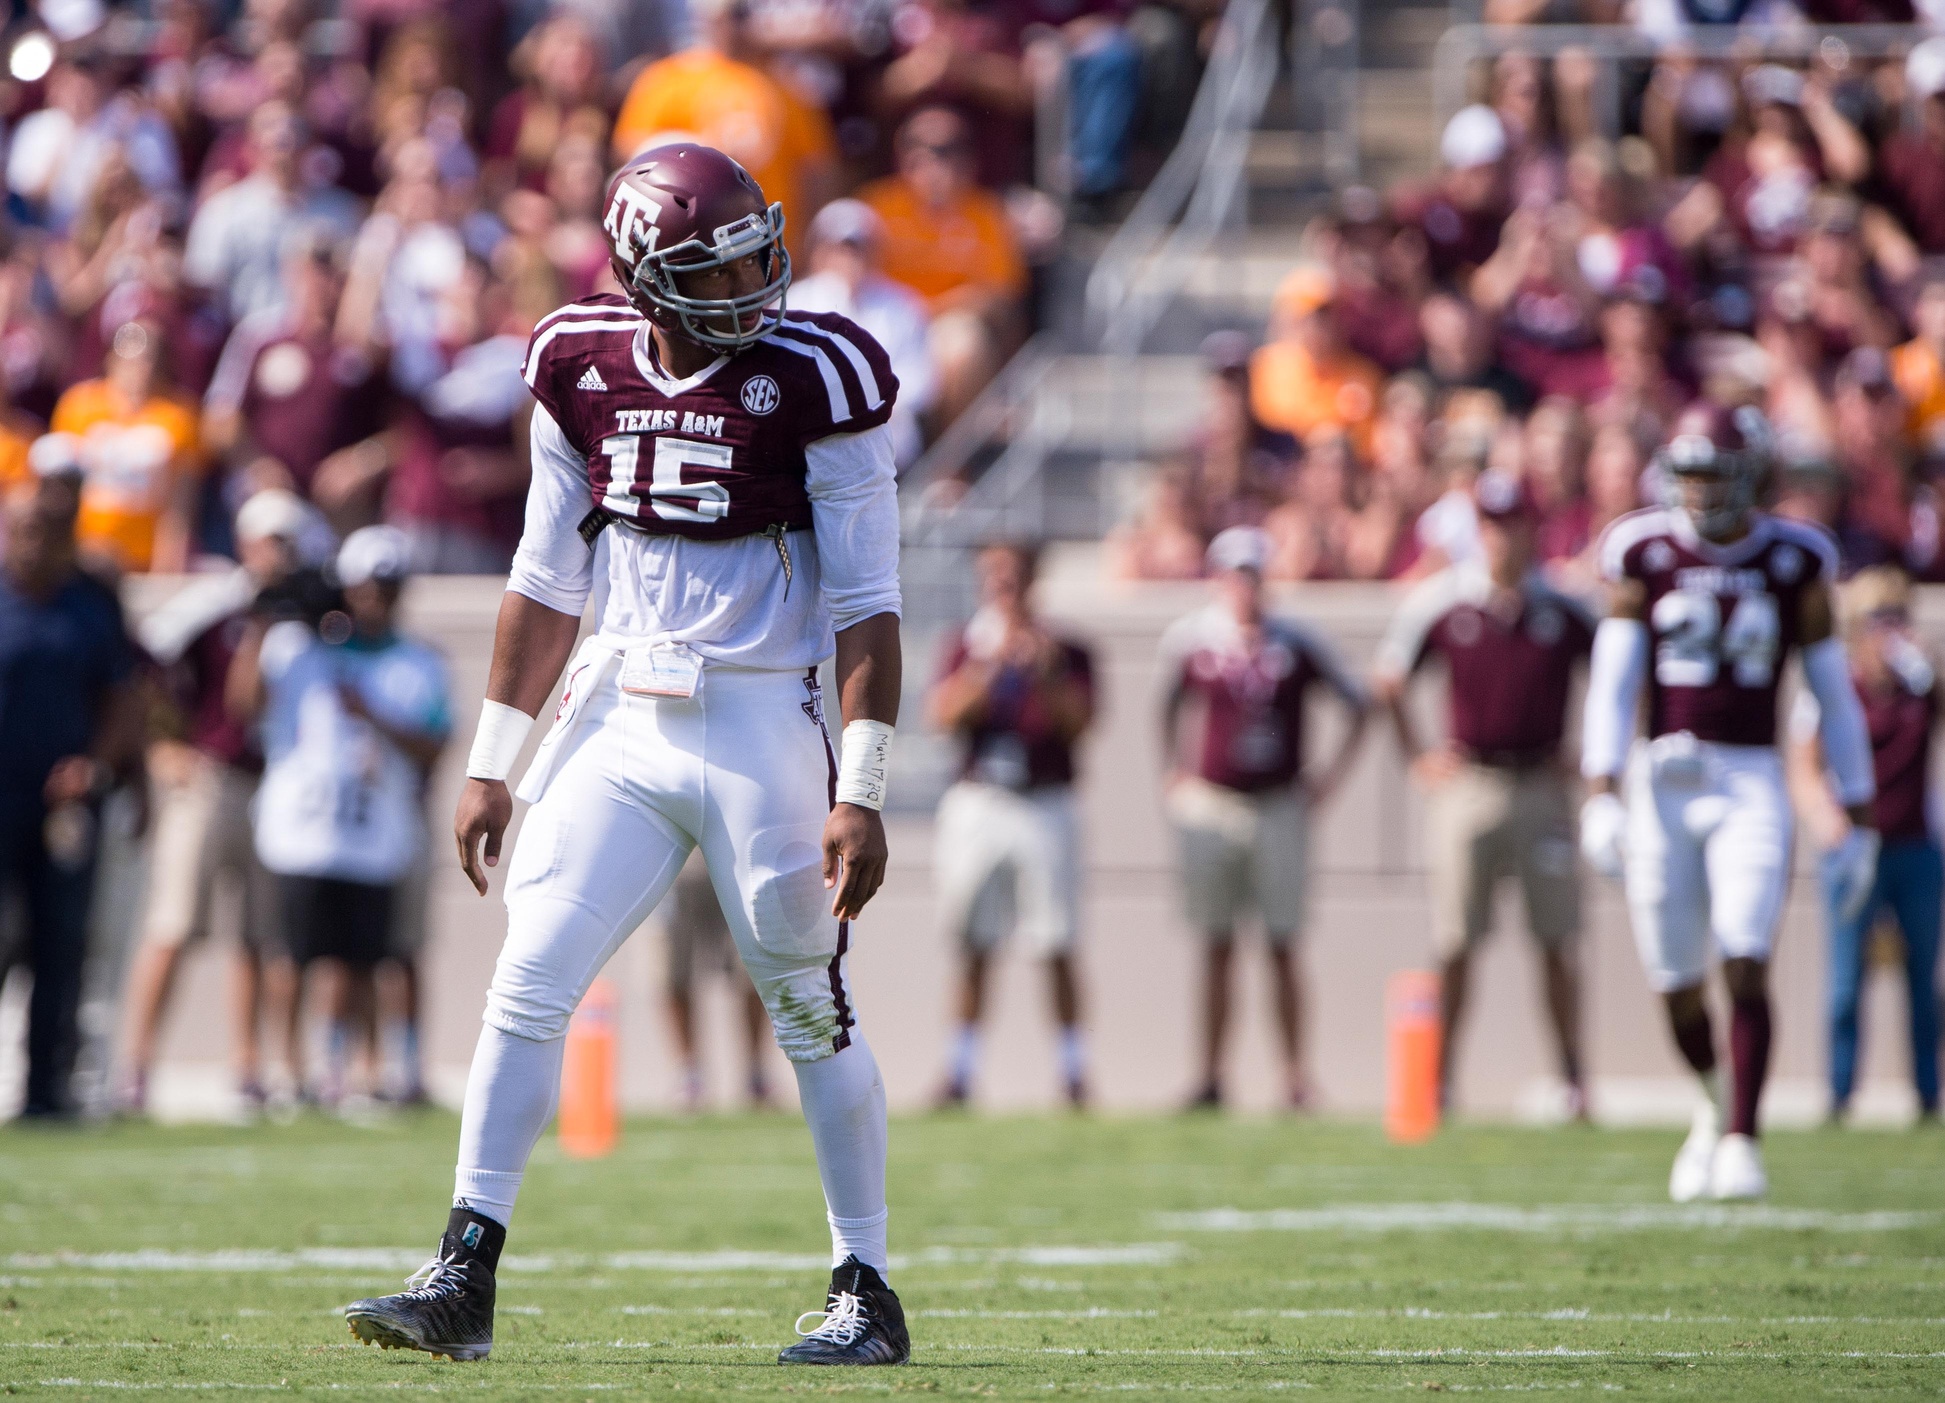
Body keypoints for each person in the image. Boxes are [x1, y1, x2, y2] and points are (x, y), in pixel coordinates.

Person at [342, 144, 909, 1367]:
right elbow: (547, 574)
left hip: (765, 713)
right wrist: (494, 755)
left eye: (762, 247)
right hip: (619, 711)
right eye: (726, 261)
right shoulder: (575, 359)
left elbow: (868, 598)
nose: (760, 278)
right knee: (528, 971)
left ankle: (864, 1283)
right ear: (649, 274)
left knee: (806, 1002)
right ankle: (462, 1270)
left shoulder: (823, 371)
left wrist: (861, 786)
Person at [1578, 402, 1879, 1202]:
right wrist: (1600, 788)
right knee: (1675, 979)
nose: (1701, 491)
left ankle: (1742, 1136)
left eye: (1715, 473)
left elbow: (1832, 695)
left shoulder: (1794, 559)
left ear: (1751, 474)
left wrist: (1861, 816)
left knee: (1744, 954)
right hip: (1661, 780)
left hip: (1749, 777)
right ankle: (1712, 1107)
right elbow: (1612, 680)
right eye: (1690, 474)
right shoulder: (1641, 549)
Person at [1372, 471, 1596, 1118]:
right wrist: (1418, 757)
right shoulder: (1444, 602)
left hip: (1540, 786)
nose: (1501, 536)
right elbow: (1388, 680)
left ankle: (1571, 1079)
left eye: (1512, 521)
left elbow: (1619, 672)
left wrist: (1592, 756)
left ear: (1532, 527)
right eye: (1491, 523)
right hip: (1468, 783)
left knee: (1555, 939)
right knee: (1454, 940)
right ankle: (1438, 1081)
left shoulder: (1561, 604)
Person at [233, 525, 450, 1106]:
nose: (374, 599)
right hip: (302, 828)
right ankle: (286, 1070)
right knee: (291, 955)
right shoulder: (299, 647)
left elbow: (436, 742)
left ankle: (347, 1067)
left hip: (373, 832)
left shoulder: (419, 662)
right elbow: (243, 705)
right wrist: (264, 617)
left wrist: (374, 715)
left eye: (386, 587)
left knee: (360, 960)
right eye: (365, 587)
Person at [1160, 525, 1370, 1110]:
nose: (1243, 587)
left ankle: (1295, 1076)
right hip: (1216, 801)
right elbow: (1168, 706)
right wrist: (1173, 771)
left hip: (1278, 805)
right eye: (1234, 575)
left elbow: (1359, 704)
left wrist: (1326, 782)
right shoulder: (1193, 640)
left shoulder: (1296, 640)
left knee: (1283, 944)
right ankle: (1209, 1075)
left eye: (1251, 574)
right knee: (1216, 944)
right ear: (1218, 580)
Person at [117, 489, 310, 1116]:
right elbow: (145, 662)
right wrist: (162, 742)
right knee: (174, 923)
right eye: (268, 541)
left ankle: (248, 1066)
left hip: (275, 782)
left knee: (255, 934)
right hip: (212, 775)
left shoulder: (304, 611)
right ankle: (136, 1066)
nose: (277, 554)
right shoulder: (217, 602)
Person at [928, 542, 1096, 1108]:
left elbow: (1080, 724)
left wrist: (1044, 672)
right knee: (972, 941)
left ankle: (1073, 1073)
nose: (1004, 587)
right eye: (994, 577)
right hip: (982, 800)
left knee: (1056, 941)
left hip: (1044, 801)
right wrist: (991, 665)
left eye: (1013, 576)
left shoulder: (1067, 649)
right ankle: (960, 1071)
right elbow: (942, 716)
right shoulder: (965, 645)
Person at [0, 482, 141, 1120]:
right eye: (22, 528)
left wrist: (95, 765)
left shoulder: (90, 606)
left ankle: (46, 1091)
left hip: (63, 804)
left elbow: (120, 697)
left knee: (60, 943)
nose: (33, 543)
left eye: (46, 531)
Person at [1786, 567, 1941, 1124]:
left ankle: (1928, 1096)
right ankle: (1840, 1094)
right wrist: (1831, 824)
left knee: (1923, 981)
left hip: (1917, 849)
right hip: (1855, 848)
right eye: (1880, 619)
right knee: (1847, 983)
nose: (1890, 632)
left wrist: (1929, 680)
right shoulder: (1832, 688)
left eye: (1898, 618)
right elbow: (1803, 770)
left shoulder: (1919, 686)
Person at [859, 106, 1027, 427]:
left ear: (970, 157)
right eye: (918, 147)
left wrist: (925, 311)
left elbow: (999, 296)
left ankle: (951, 467)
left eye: (948, 149)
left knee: (962, 344)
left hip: (941, 327)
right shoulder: (875, 206)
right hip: (880, 321)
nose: (933, 160)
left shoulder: (986, 213)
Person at [788, 200, 937, 470]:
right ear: (818, 250)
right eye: (839, 248)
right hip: (811, 444)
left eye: (857, 249)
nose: (848, 258)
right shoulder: (793, 304)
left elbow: (920, 385)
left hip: (886, 444)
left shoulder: (902, 304)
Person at [50, 318, 204, 575]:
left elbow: (180, 503)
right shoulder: (78, 406)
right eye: (128, 355)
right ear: (110, 358)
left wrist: (166, 566)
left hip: (143, 557)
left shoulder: (178, 416)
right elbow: (60, 490)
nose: (138, 366)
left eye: (147, 356)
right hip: (84, 555)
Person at [660, 851, 774, 1111]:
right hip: (676, 855)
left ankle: (756, 1073)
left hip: (738, 855)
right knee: (673, 969)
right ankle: (689, 1075)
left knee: (752, 967)